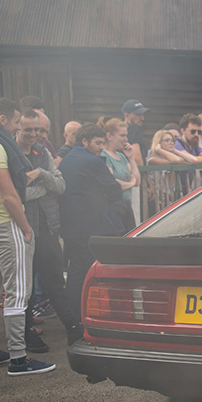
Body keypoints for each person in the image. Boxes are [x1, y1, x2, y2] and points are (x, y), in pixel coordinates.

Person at [0, 101, 55, 376]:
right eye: (16, 122)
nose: (18, 127)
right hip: (6, 225)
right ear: (2, 119)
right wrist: (26, 227)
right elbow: (8, 195)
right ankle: (18, 357)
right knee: (18, 293)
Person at [15, 111, 83, 347]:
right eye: (29, 130)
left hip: (47, 228)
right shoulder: (9, 154)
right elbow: (15, 194)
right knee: (25, 286)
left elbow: (60, 186)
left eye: (38, 130)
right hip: (23, 228)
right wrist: (44, 188)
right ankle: (26, 334)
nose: (35, 134)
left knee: (55, 281)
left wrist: (40, 174)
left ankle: (72, 327)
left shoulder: (42, 153)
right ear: (17, 128)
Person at [59, 123, 125, 323]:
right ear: (84, 141)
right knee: (93, 272)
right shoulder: (93, 162)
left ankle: (76, 317)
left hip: (71, 226)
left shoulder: (66, 160)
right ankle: (92, 316)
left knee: (75, 271)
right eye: (98, 143)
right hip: (94, 226)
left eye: (103, 143)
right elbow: (115, 190)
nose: (101, 148)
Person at [102, 118, 140, 232]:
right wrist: (131, 183)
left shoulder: (122, 156)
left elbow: (138, 181)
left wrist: (131, 158)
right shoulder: (104, 155)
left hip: (127, 205)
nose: (126, 139)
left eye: (126, 135)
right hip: (114, 207)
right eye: (122, 135)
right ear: (109, 136)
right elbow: (113, 182)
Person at [122, 99, 148, 169]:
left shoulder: (120, 130)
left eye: (142, 114)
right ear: (126, 115)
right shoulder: (133, 128)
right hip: (135, 172)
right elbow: (137, 158)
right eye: (138, 114)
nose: (142, 118)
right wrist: (143, 173)